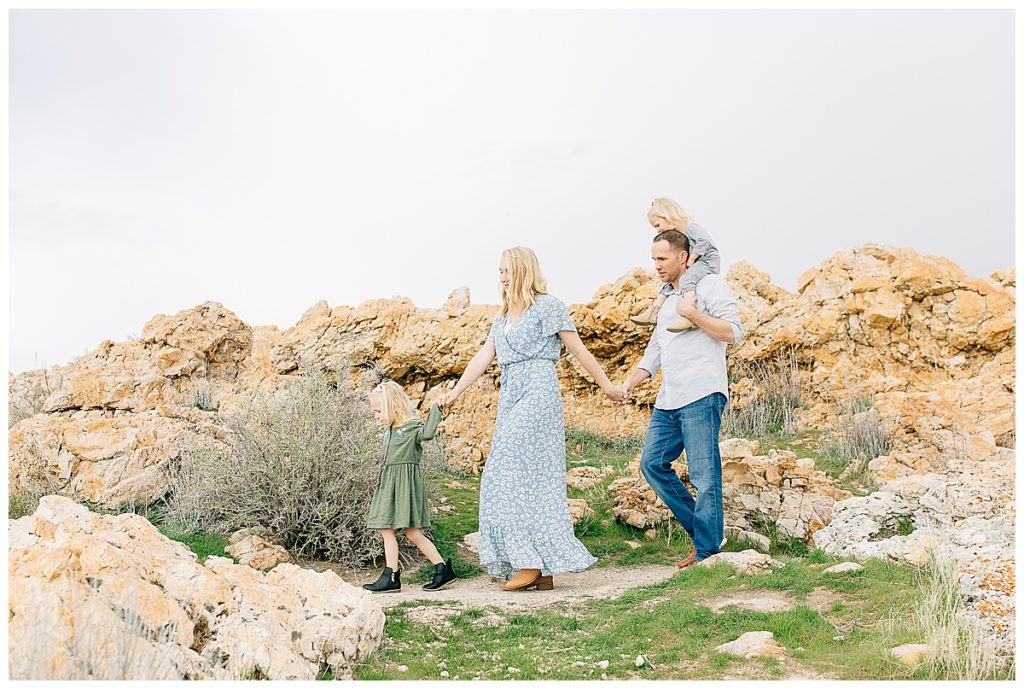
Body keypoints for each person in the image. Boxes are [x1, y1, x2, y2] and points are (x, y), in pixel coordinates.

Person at [437, 247, 623, 591]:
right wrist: (454, 393)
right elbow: (484, 356)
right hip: (510, 394)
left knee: (504, 471)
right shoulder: (503, 315)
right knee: (524, 481)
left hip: (538, 392)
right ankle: (541, 566)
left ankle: (530, 561)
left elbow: (578, 348)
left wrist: (608, 386)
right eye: (500, 271)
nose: (502, 277)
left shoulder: (548, 307)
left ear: (523, 271)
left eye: (507, 270)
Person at [621, 229, 742, 568]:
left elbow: (733, 333)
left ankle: (706, 552)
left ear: (684, 257)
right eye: (653, 259)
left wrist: (694, 316)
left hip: (702, 392)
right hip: (668, 398)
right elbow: (656, 349)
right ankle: (706, 533)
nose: (656, 266)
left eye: (663, 259)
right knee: (652, 464)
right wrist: (633, 380)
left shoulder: (710, 286)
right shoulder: (665, 299)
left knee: (705, 476)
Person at [363, 380, 457, 593]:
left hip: (405, 485)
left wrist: (437, 409)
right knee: (385, 527)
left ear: (392, 405)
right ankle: (393, 575)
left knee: (412, 532)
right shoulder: (390, 429)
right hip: (389, 484)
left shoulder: (412, 427)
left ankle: (439, 570)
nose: (376, 416)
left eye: (378, 411)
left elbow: (427, 434)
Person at [630, 197, 722, 333]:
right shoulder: (679, 234)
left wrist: (691, 259)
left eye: (657, 225)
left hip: (707, 262)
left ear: (668, 217)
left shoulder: (690, 228)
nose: (657, 230)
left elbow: (704, 241)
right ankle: (653, 311)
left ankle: (688, 315)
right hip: (697, 261)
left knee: (687, 279)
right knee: (668, 283)